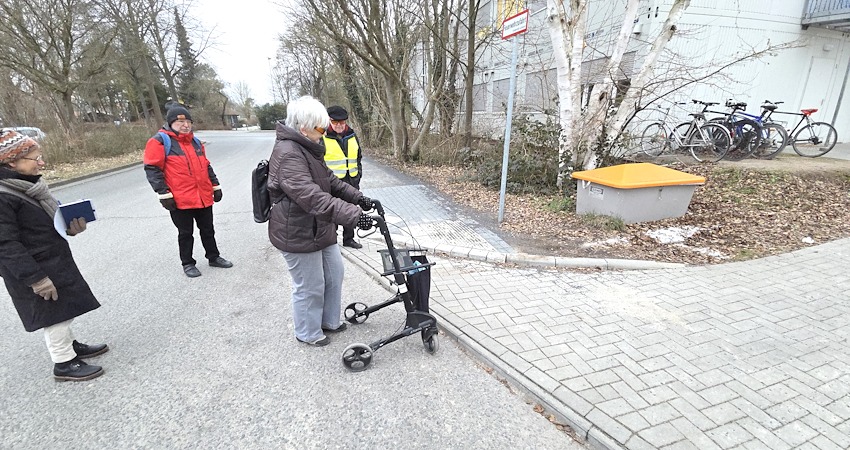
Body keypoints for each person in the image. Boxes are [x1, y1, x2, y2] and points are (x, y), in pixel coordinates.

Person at [0, 130, 109, 381]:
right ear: (11, 163)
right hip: (33, 268)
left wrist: (69, 227)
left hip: (51, 259)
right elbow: (5, 245)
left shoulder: (29, 186)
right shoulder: (4, 196)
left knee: (63, 308)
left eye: (40, 156)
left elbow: (46, 221)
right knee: (53, 315)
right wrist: (36, 279)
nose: (42, 163)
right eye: (35, 159)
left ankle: (70, 346)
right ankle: (63, 363)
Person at [267, 96, 376, 347]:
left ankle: (328, 321)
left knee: (334, 273)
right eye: (320, 128)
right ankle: (307, 331)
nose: (325, 132)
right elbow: (312, 197)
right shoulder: (288, 154)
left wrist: (360, 199)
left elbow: (330, 181)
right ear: (303, 128)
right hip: (297, 230)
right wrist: (354, 216)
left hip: (319, 227)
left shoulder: (309, 147)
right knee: (310, 285)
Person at [144, 105, 233, 278]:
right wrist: (163, 194)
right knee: (185, 233)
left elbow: (206, 165)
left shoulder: (196, 142)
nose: (185, 125)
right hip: (179, 199)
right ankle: (188, 263)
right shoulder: (159, 142)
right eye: (180, 121)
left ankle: (213, 257)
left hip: (202, 196)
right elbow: (152, 169)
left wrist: (216, 186)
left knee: (208, 229)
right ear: (171, 123)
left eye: (188, 121)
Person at [323, 105, 364, 249]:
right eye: (335, 122)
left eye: (342, 122)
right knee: (332, 211)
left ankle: (349, 239)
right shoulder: (323, 137)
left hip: (351, 180)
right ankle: (331, 241)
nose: (339, 125)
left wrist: (358, 174)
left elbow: (358, 157)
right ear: (329, 121)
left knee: (351, 210)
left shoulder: (352, 135)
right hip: (332, 183)